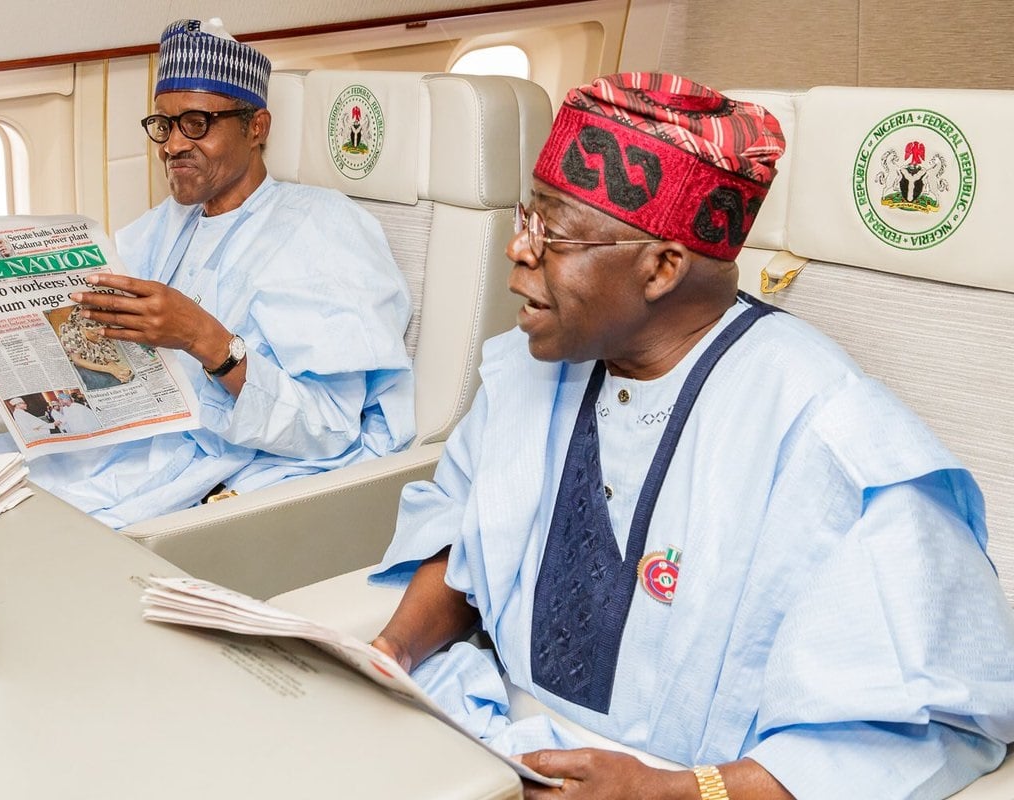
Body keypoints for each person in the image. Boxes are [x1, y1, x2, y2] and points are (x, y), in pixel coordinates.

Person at [368, 73, 1014, 799]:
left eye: (551, 233)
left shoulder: (830, 435)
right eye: (527, 218)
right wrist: (391, 650)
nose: (517, 250)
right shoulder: (529, 371)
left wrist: (678, 790)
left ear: (663, 267)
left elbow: (930, 721)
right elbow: (466, 536)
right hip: (487, 744)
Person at [0, 18, 415, 528]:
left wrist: (203, 339)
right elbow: (71, 352)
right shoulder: (160, 228)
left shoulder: (323, 228)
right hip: (106, 444)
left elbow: (330, 428)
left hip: (195, 467)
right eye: (163, 125)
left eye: (196, 124)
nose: (173, 145)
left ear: (257, 127)